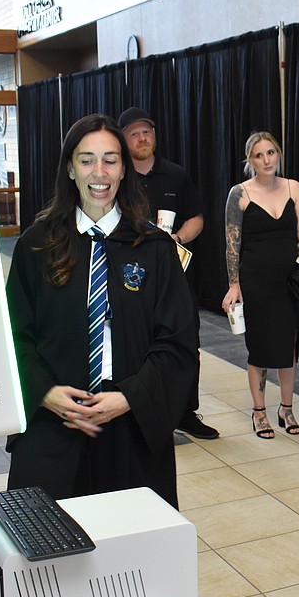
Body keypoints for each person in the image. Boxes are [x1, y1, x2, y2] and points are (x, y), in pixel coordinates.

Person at [1, 114, 196, 597]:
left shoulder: (155, 249)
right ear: (69, 167)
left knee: (131, 558)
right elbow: (15, 335)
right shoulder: (38, 245)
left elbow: (178, 344)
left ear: (125, 169)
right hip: (54, 424)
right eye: (87, 159)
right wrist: (46, 393)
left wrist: (128, 399)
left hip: (128, 424)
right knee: (42, 558)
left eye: (110, 159)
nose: (100, 172)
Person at [118, 106, 219, 440]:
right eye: (134, 133)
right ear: (123, 140)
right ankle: (141, 410)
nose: (142, 138)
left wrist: (176, 238)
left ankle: (185, 412)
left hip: (176, 274)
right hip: (131, 278)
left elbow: (197, 218)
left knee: (185, 340)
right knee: (139, 343)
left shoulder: (176, 175)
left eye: (147, 131)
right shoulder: (117, 177)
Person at [222, 131, 299, 438]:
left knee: (288, 348)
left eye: (271, 153)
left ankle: (286, 408)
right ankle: (259, 411)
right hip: (256, 281)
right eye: (259, 155)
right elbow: (232, 244)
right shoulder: (240, 193)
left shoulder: (293, 187)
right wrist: (234, 285)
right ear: (250, 160)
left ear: (278, 154)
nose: (266, 160)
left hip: (290, 282)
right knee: (260, 348)